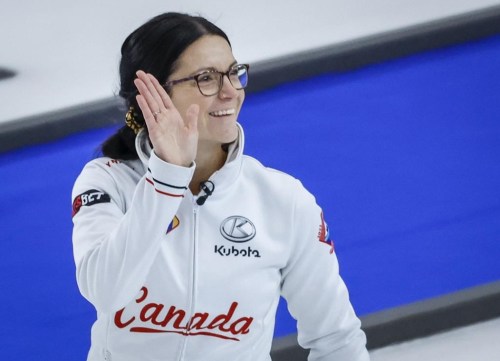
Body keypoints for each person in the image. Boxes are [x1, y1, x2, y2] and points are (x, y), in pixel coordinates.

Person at [71, 12, 370, 361]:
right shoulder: (108, 180)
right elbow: (106, 291)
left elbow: (336, 339)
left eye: (233, 73)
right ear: (152, 96)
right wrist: (167, 177)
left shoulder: (284, 201)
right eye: (206, 78)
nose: (230, 92)